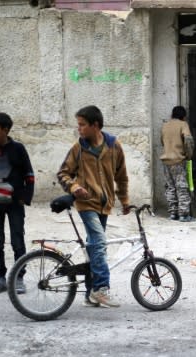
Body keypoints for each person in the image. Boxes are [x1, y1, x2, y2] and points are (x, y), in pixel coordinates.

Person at [57, 105, 130, 308]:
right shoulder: (78, 148)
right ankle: (101, 289)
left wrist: (124, 201)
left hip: (104, 205)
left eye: (82, 125)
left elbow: (121, 176)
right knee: (99, 243)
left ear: (95, 125)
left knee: (93, 248)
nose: (78, 129)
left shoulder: (114, 146)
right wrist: (74, 187)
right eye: (78, 125)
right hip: (86, 204)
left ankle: (89, 293)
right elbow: (63, 173)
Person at [0, 112, 35, 295]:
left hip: (14, 204)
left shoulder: (18, 149)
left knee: (17, 241)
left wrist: (25, 197)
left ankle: (19, 278)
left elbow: (29, 175)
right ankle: (1, 279)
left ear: (6, 130)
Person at [160, 105, 195, 222]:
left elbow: (162, 141)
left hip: (166, 160)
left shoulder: (165, 125)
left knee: (170, 187)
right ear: (184, 116)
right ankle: (184, 214)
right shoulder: (183, 124)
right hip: (178, 161)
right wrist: (188, 155)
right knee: (182, 187)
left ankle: (173, 213)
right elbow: (188, 140)